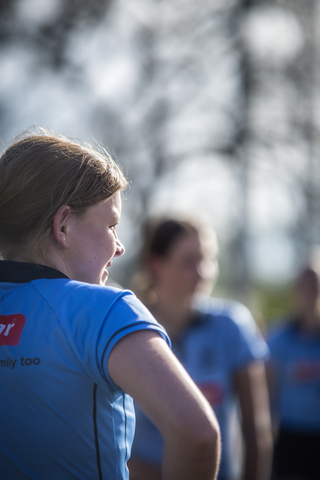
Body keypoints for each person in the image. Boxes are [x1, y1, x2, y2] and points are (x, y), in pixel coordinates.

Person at [0, 128, 221, 480]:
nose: (119, 247)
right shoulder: (103, 308)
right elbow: (196, 435)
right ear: (63, 226)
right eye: (112, 225)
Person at [128, 216, 273, 480]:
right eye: (188, 261)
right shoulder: (130, 329)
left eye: (208, 258)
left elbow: (257, 430)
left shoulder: (231, 326)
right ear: (155, 263)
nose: (203, 271)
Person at [267, 248, 320, 480]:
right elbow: (268, 393)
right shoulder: (279, 339)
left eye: (315, 285)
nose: (311, 293)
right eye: (305, 286)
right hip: (290, 438)